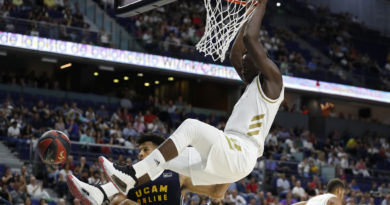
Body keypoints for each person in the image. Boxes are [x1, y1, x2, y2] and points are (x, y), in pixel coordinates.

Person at [99, 0, 284, 200]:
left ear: (260, 62)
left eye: (249, 59)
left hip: (239, 150)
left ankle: (130, 175)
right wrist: (247, 12)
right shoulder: (253, 83)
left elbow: (250, 38)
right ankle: (101, 193)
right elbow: (235, 54)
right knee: (164, 159)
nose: (243, 62)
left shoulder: (273, 82)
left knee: (191, 127)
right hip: (232, 157)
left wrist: (260, 4)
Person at [66, 133, 227, 204]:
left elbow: (216, 192)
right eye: (139, 151)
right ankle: (99, 193)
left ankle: (99, 192)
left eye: (145, 149)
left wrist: (228, 168)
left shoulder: (178, 176)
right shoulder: (128, 183)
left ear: (159, 152)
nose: (140, 154)